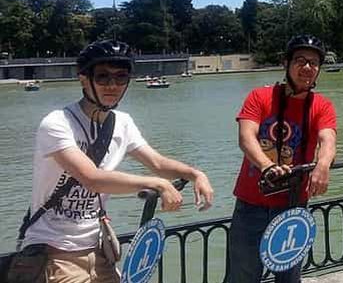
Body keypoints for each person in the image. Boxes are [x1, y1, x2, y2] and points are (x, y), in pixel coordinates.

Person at [16, 40, 213, 283]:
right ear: (84, 79)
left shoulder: (122, 123)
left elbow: (158, 163)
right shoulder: (57, 124)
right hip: (56, 252)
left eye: (121, 77)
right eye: (103, 77)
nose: (113, 85)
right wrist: (159, 185)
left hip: (100, 250)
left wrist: (196, 174)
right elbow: (92, 179)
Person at [230, 35, 337, 283]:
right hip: (251, 204)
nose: (307, 67)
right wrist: (267, 166)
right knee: (242, 276)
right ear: (285, 63)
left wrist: (323, 164)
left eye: (314, 62)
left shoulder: (321, 105)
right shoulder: (259, 97)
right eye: (300, 60)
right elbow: (246, 137)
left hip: (293, 205)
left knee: (289, 278)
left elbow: (328, 139)